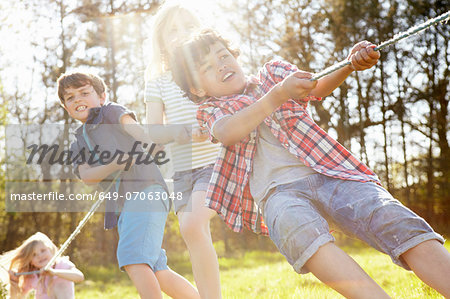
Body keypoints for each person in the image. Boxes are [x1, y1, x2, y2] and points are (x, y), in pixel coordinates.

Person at [170, 29, 450, 298]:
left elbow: (317, 86)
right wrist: (277, 95)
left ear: (235, 55)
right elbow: (228, 131)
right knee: (297, 231)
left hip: (332, 173)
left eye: (223, 56)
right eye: (207, 67)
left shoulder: (273, 74)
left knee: (390, 216)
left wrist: (349, 64)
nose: (221, 66)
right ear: (197, 89)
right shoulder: (211, 110)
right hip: (279, 194)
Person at [57, 71, 199, 299]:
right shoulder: (77, 144)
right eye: (70, 98)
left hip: (146, 191)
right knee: (156, 268)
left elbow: (137, 131)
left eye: (84, 93)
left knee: (133, 258)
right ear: (65, 107)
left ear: (101, 96)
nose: (78, 100)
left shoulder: (110, 112)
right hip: (124, 207)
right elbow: (88, 176)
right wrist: (115, 163)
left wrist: (150, 143)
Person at [144, 3, 222, 298]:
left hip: (216, 163)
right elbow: (154, 130)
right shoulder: (156, 82)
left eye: (187, 28)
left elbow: (231, 105)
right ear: (160, 40)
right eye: (172, 31)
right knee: (196, 235)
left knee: (191, 225)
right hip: (181, 171)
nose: (180, 35)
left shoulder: (207, 70)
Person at [0, 232, 84, 299]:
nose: (40, 256)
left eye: (43, 250)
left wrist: (54, 272)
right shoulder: (33, 274)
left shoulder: (61, 264)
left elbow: (80, 277)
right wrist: (14, 283)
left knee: (59, 286)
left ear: (50, 249)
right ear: (30, 261)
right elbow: (17, 297)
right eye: (34, 255)